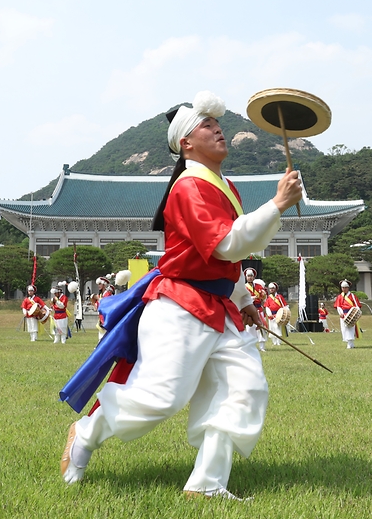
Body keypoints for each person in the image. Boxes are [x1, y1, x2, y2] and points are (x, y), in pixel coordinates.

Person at [60, 90, 302, 499]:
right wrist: (278, 204)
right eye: (207, 125)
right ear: (185, 143)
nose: (218, 129)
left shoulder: (225, 186)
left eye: (218, 124)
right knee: (161, 398)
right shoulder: (189, 187)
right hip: (181, 306)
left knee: (244, 388)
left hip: (220, 307)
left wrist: (244, 301)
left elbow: (226, 261)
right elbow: (226, 244)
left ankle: (207, 485)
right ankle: (85, 432)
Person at [244, 268, 267, 351]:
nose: (250, 277)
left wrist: (263, 295)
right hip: (249, 309)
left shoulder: (258, 286)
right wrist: (251, 298)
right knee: (250, 328)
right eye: (248, 276)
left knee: (261, 327)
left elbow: (263, 297)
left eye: (251, 276)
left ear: (254, 277)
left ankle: (262, 346)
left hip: (259, 308)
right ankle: (251, 346)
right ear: (246, 277)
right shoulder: (244, 287)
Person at [334, 280, 361, 349]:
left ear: (348, 288)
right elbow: (338, 306)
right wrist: (340, 313)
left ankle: (350, 343)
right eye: (342, 287)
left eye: (345, 287)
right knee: (344, 329)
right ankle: (349, 342)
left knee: (350, 328)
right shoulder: (340, 296)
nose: (344, 289)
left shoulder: (352, 296)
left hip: (351, 313)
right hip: (343, 314)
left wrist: (355, 312)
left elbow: (357, 305)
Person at [93, 277, 114, 342]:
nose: (98, 286)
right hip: (101, 317)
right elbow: (97, 306)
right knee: (101, 336)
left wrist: (98, 299)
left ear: (104, 285)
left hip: (106, 317)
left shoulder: (107, 294)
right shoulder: (101, 295)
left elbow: (105, 303)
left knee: (105, 337)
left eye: (100, 284)